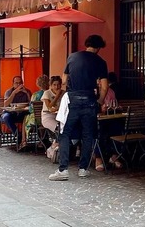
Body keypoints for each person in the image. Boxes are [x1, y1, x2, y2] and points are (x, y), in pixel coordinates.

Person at [49, 34, 109, 181]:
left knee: (65, 133)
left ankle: (63, 170)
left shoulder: (72, 57)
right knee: (88, 135)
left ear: (86, 44)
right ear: (99, 48)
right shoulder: (101, 62)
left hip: (73, 99)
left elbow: (64, 80)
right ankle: (83, 169)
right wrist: (99, 101)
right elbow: (105, 86)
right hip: (89, 100)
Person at [94, 71, 122, 171]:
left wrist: (116, 107)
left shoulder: (111, 91)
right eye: (100, 81)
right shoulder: (94, 91)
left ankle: (114, 156)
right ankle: (98, 158)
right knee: (100, 133)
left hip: (109, 117)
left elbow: (114, 103)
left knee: (118, 130)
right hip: (96, 120)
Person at [20, 75, 50, 150]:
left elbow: (31, 109)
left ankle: (24, 141)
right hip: (48, 116)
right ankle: (41, 140)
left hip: (37, 119)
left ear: (38, 84)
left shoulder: (36, 95)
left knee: (25, 118)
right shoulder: (51, 93)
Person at [1, 75, 32, 142]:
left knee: (29, 116)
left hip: (22, 113)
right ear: (13, 84)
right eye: (16, 83)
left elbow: (31, 104)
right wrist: (14, 93)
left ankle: (24, 137)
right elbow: (5, 104)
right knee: (6, 117)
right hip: (11, 113)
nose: (18, 85)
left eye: (20, 83)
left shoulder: (27, 91)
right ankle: (17, 134)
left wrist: (27, 94)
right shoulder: (9, 92)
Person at [42, 75, 65, 161]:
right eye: (54, 85)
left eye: (58, 84)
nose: (56, 87)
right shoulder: (47, 93)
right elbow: (49, 107)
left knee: (66, 127)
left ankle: (55, 145)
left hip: (59, 116)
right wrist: (57, 95)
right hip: (48, 117)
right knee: (59, 128)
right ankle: (55, 146)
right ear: (51, 85)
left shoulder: (64, 93)